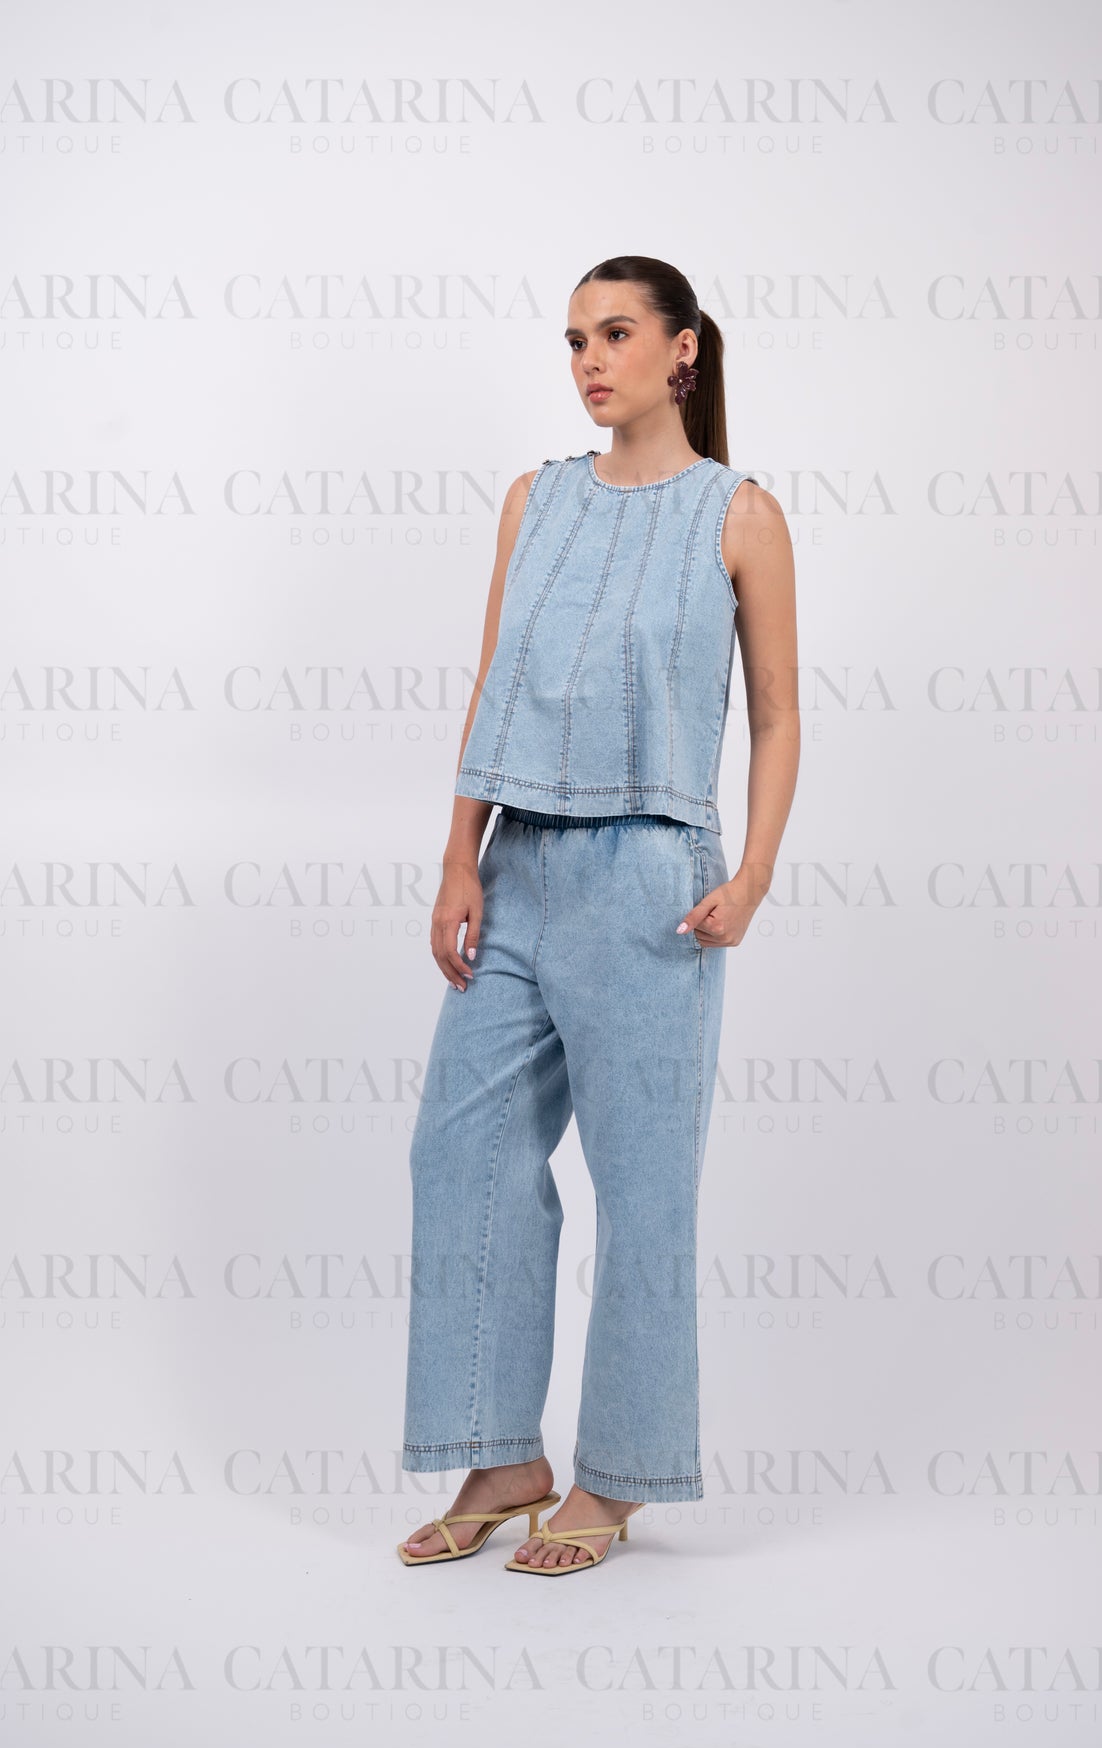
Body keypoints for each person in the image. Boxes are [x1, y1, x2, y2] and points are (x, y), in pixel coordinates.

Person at [398, 254, 798, 1576]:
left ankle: (618, 1476)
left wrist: (753, 873)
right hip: (515, 864)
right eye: (574, 339)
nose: (588, 361)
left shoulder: (737, 515)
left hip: (651, 881)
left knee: (643, 1189)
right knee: (460, 1154)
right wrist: (459, 857)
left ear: (682, 350)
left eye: (615, 333)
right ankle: (499, 1454)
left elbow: (778, 712)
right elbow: (490, 685)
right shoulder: (536, 500)